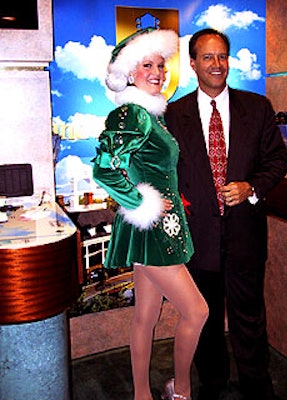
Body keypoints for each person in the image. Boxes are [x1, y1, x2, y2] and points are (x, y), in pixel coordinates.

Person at [165, 28, 287, 400]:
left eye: (222, 56)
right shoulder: (174, 115)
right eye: (207, 57)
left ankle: (256, 386)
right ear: (192, 64)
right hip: (197, 237)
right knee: (202, 316)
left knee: (249, 317)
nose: (217, 65)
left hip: (245, 236)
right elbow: (165, 173)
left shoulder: (258, 107)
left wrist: (251, 187)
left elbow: (276, 160)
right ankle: (214, 384)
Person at [92, 27, 208, 400]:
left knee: (146, 315)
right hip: (153, 228)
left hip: (157, 227)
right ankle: (181, 391)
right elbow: (104, 169)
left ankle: (142, 394)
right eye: (147, 65)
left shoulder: (149, 115)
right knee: (197, 311)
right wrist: (141, 202)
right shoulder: (133, 114)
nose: (158, 71)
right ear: (129, 72)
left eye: (161, 64)